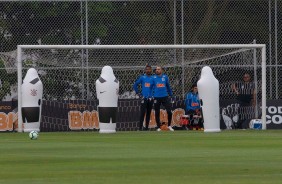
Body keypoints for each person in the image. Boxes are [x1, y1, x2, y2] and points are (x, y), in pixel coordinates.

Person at [152, 66, 174, 131]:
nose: (157, 70)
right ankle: (158, 127)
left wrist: (171, 95)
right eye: (156, 69)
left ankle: (169, 126)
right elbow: (151, 87)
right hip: (156, 97)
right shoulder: (153, 78)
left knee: (169, 111)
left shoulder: (165, 77)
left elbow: (168, 86)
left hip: (165, 96)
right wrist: (152, 94)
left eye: (158, 69)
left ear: (161, 70)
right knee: (157, 112)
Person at [133, 64, 154, 131]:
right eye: (147, 69)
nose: (148, 70)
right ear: (145, 70)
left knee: (148, 113)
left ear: (151, 70)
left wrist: (154, 94)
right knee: (142, 113)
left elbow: (156, 87)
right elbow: (135, 85)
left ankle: (147, 128)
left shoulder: (153, 78)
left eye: (149, 69)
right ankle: (140, 128)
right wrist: (138, 93)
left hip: (151, 98)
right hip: (144, 98)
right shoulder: (142, 77)